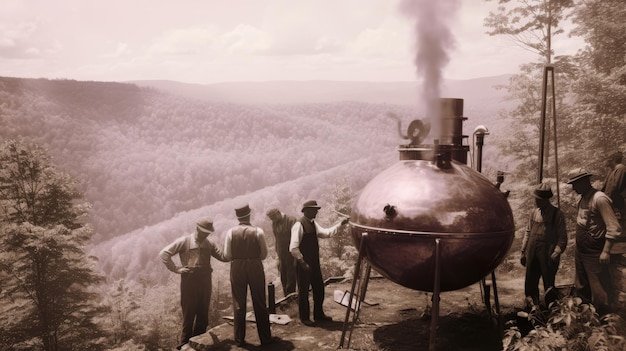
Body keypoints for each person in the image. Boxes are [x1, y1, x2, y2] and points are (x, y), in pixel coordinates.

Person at [159, 218, 228, 350]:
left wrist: (236, 249)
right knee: (189, 315)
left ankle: (199, 345)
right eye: (204, 232)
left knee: (203, 315)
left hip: (206, 280)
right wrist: (176, 269)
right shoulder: (184, 241)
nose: (206, 235)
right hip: (189, 280)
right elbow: (164, 253)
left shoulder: (209, 244)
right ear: (197, 229)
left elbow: (223, 257)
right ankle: (184, 346)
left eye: (208, 233)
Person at [567, 168, 622, 314]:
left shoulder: (600, 199)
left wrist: (606, 251)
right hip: (581, 250)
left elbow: (614, 227)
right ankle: (586, 320)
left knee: (599, 291)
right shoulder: (582, 198)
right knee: (581, 287)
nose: (573, 188)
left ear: (584, 181)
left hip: (595, 252)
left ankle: (604, 324)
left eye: (575, 184)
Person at [289, 200, 350, 325]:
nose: (316, 212)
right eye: (314, 209)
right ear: (306, 211)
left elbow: (326, 233)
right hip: (303, 264)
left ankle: (319, 314)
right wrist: (303, 263)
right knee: (303, 292)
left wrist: (340, 224)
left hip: (314, 263)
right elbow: (293, 248)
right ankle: (305, 318)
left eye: (316, 209)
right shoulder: (299, 225)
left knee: (319, 288)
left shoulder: (313, 224)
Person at [223, 204, 273, 347]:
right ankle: (265, 338)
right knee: (259, 301)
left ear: (238, 217)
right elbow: (264, 254)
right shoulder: (258, 231)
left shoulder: (231, 232)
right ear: (249, 215)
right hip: (255, 266)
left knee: (239, 304)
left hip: (237, 267)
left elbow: (227, 255)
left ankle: (239, 340)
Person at [519, 183, 568, 306]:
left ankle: (551, 312)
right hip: (532, 251)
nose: (536, 201)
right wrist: (523, 251)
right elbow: (528, 231)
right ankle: (532, 310)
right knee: (530, 281)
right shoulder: (534, 213)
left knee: (548, 283)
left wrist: (557, 252)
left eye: (538, 199)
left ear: (545, 200)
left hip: (548, 253)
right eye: (535, 198)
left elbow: (562, 237)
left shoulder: (557, 214)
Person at [266, 208, 298, 297]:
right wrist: (278, 257)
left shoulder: (291, 220)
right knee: (283, 277)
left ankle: (291, 298)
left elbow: (296, 239)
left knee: (291, 277)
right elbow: (277, 240)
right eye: (271, 219)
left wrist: (296, 255)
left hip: (292, 254)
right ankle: (287, 298)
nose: (272, 220)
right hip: (281, 255)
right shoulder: (274, 223)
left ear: (278, 213)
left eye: (273, 217)